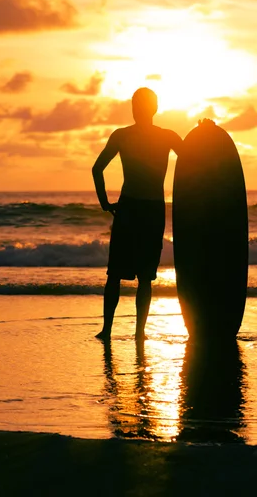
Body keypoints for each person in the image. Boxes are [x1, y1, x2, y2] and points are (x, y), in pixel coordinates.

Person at [92, 87, 183, 341]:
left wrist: (105, 203)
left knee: (115, 275)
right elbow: (195, 160)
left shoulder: (122, 136)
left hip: (129, 209)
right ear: (154, 108)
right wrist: (206, 134)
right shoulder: (167, 137)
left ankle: (108, 330)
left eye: (137, 105)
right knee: (144, 277)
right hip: (152, 210)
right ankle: (138, 334)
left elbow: (97, 169)